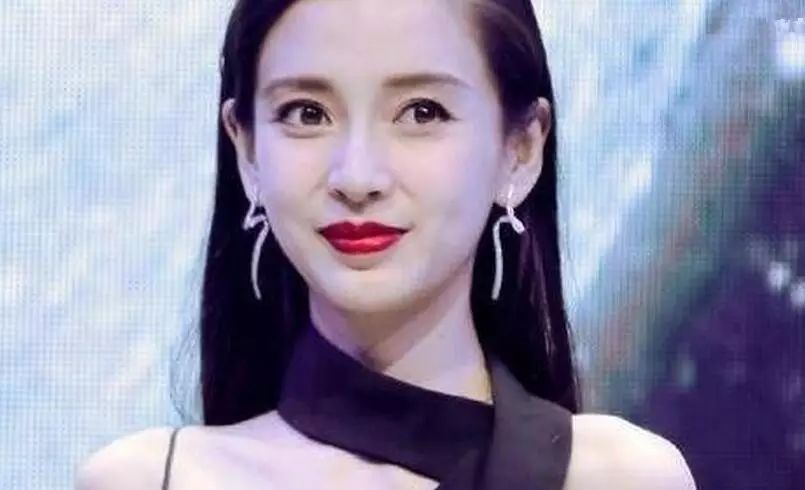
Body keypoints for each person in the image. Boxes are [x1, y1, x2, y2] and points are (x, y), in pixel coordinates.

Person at [77, 0, 697, 488]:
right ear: (247, 151)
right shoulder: (147, 480)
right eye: (306, 113)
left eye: (422, 112)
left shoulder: (621, 478)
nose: (357, 177)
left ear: (521, 149)